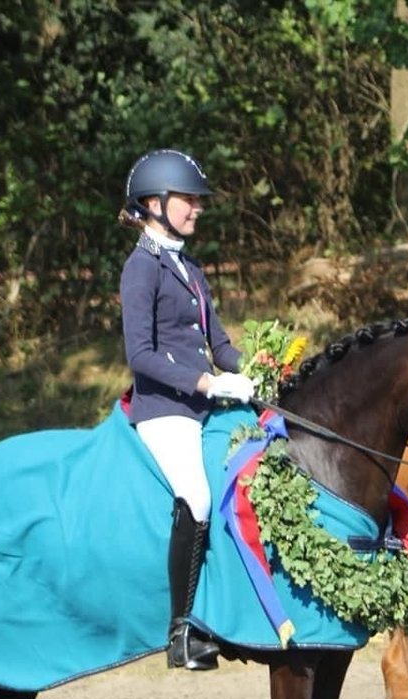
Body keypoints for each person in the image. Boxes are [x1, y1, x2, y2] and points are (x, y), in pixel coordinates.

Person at [118, 148, 255, 671]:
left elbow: (220, 344)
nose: (197, 208)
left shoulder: (190, 268)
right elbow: (141, 356)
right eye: (189, 200)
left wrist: (257, 370)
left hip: (203, 403)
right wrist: (207, 382)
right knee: (196, 496)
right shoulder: (141, 268)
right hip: (164, 409)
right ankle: (180, 631)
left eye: (198, 200)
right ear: (154, 203)